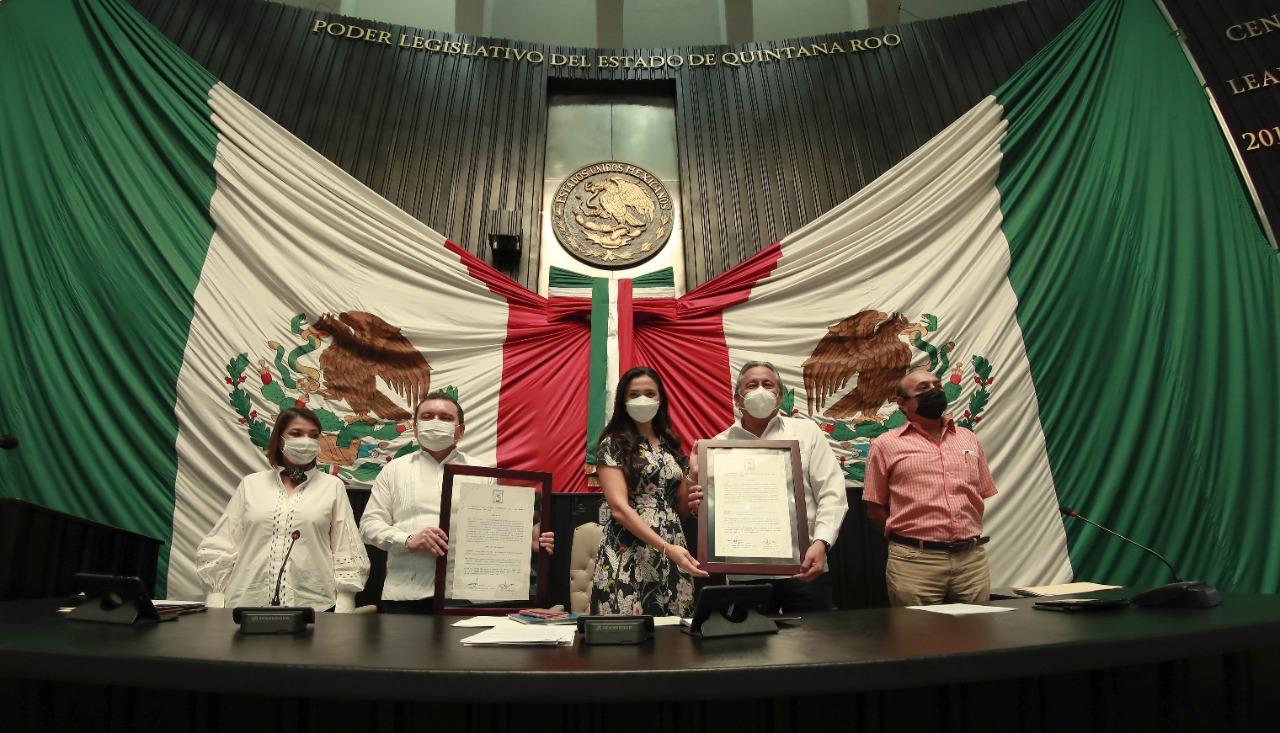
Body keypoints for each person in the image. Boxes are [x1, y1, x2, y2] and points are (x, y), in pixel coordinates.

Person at [360, 391, 554, 614]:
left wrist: (523, 544)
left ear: (460, 430)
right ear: (415, 428)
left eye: (445, 418)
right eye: (427, 416)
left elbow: (489, 532)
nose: (435, 422)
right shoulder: (393, 470)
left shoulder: (482, 473)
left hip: (465, 596)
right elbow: (368, 526)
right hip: (406, 594)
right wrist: (407, 539)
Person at [196, 406, 370, 611]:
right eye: (296, 433)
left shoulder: (333, 486)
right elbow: (223, 542)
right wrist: (216, 597)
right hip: (247, 603)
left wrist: (345, 602)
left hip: (313, 606)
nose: (306, 440)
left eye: (313, 435)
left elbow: (346, 546)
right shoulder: (251, 484)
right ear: (279, 440)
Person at [707, 361, 848, 613]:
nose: (760, 390)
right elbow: (713, 508)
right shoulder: (719, 445)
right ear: (738, 399)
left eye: (767, 384)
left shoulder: (806, 432)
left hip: (805, 567)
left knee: (816, 648)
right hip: (745, 575)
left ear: (779, 395)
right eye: (751, 385)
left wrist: (822, 543)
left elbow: (832, 493)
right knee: (751, 650)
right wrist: (700, 499)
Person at [862, 368, 998, 606]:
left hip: (970, 562)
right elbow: (874, 507)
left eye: (938, 385)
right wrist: (909, 542)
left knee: (977, 638)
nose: (934, 391)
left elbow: (979, 494)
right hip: (915, 563)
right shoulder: (885, 445)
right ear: (903, 403)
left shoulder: (968, 438)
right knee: (918, 641)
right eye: (923, 388)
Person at [591, 366, 709, 616]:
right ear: (623, 401)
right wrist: (665, 547)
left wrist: (694, 475)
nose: (642, 399)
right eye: (634, 394)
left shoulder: (671, 445)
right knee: (627, 638)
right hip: (630, 551)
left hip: (676, 551)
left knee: (674, 639)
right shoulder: (612, 444)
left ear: (661, 399)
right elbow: (620, 510)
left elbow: (679, 510)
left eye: (649, 393)